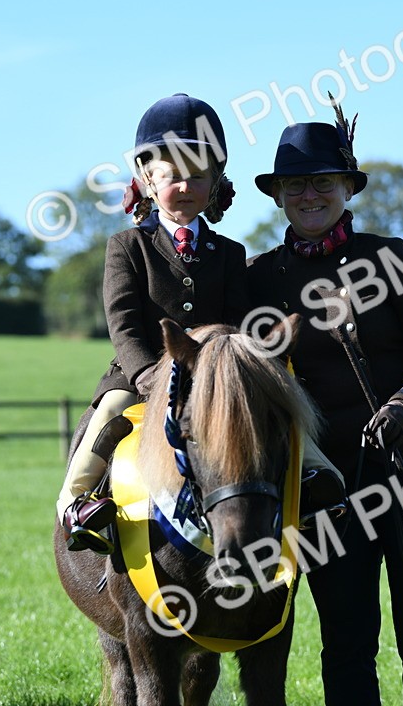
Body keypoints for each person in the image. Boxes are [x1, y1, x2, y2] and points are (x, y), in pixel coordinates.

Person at [245, 107, 403, 705]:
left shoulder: (392, 259)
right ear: (278, 197)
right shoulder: (260, 280)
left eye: (323, 181)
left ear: (348, 187)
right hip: (328, 491)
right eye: (295, 184)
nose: (309, 195)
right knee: (346, 644)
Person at [58, 93, 345, 554]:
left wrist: (232, 369)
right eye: (172, 176)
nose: (185, 186)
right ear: (148, 181)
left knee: (277, 402)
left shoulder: (229, 253)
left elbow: (237, 319)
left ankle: (313, 476)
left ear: (214, 184)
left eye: (198, 176)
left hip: (216, 374)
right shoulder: (127, 246)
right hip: (141, 372)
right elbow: (125, 324)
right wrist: (149, 374)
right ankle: (78, 501)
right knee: (110, 410)